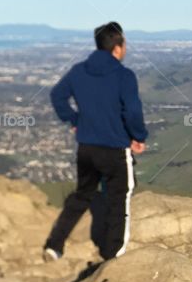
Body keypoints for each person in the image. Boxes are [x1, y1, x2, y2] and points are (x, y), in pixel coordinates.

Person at [44, 21, 148, 262]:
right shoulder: (124, 76)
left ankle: (54, 245)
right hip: (115, 150)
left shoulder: (79, 71)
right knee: (118, 199)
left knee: (81, 196)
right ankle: (113, 256)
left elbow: (57, 95)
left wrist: (74, 120)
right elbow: (132, 112)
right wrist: (138, 137)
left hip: (87, 148)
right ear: (118, 46)